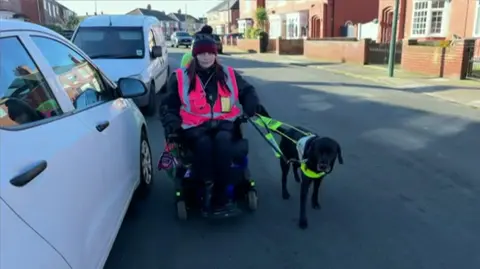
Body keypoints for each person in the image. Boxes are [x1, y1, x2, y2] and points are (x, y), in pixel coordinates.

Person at [160, 35, 262, 213]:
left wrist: (251, 104)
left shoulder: (229, 74)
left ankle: (221, 192)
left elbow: (247, 90)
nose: (206, 57)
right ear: (195, 55)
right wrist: (172, 124)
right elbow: (169, 105)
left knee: (223, 143)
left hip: (225, 124)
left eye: (210, 53)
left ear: (215, 54)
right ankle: (206, 187)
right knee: (204, 145)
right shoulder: (180, 77)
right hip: (194, 127)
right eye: (201, 53)